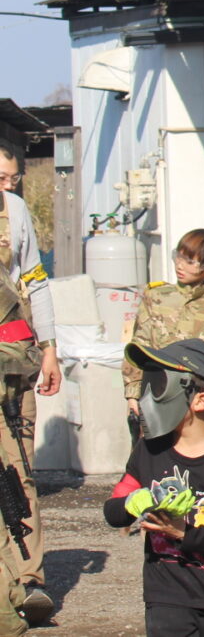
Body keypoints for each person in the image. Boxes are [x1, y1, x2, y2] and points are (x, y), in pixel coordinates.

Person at [107, 339, 204, 637]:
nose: (149, 396)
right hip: (165, 597)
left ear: (200, 400)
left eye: (160, 384)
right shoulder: (148, 451)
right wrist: (135, 501)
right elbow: (113, 512)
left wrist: (183, 533)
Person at [0, 148, 62, 623]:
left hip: (12, 360)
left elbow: (35, 281)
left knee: (17, 471)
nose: (5, 186)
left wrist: (50, 349)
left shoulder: (16, 212)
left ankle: (28, 580)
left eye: (11, 178)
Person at [123, 230, 204, 439]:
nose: (180, 265)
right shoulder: (155, 296)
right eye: (179, 256)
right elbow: (139, 346)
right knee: (154, 456)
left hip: (199, 405)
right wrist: (133, 395)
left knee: (203, 456)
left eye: (190, 261)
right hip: (157, 397)